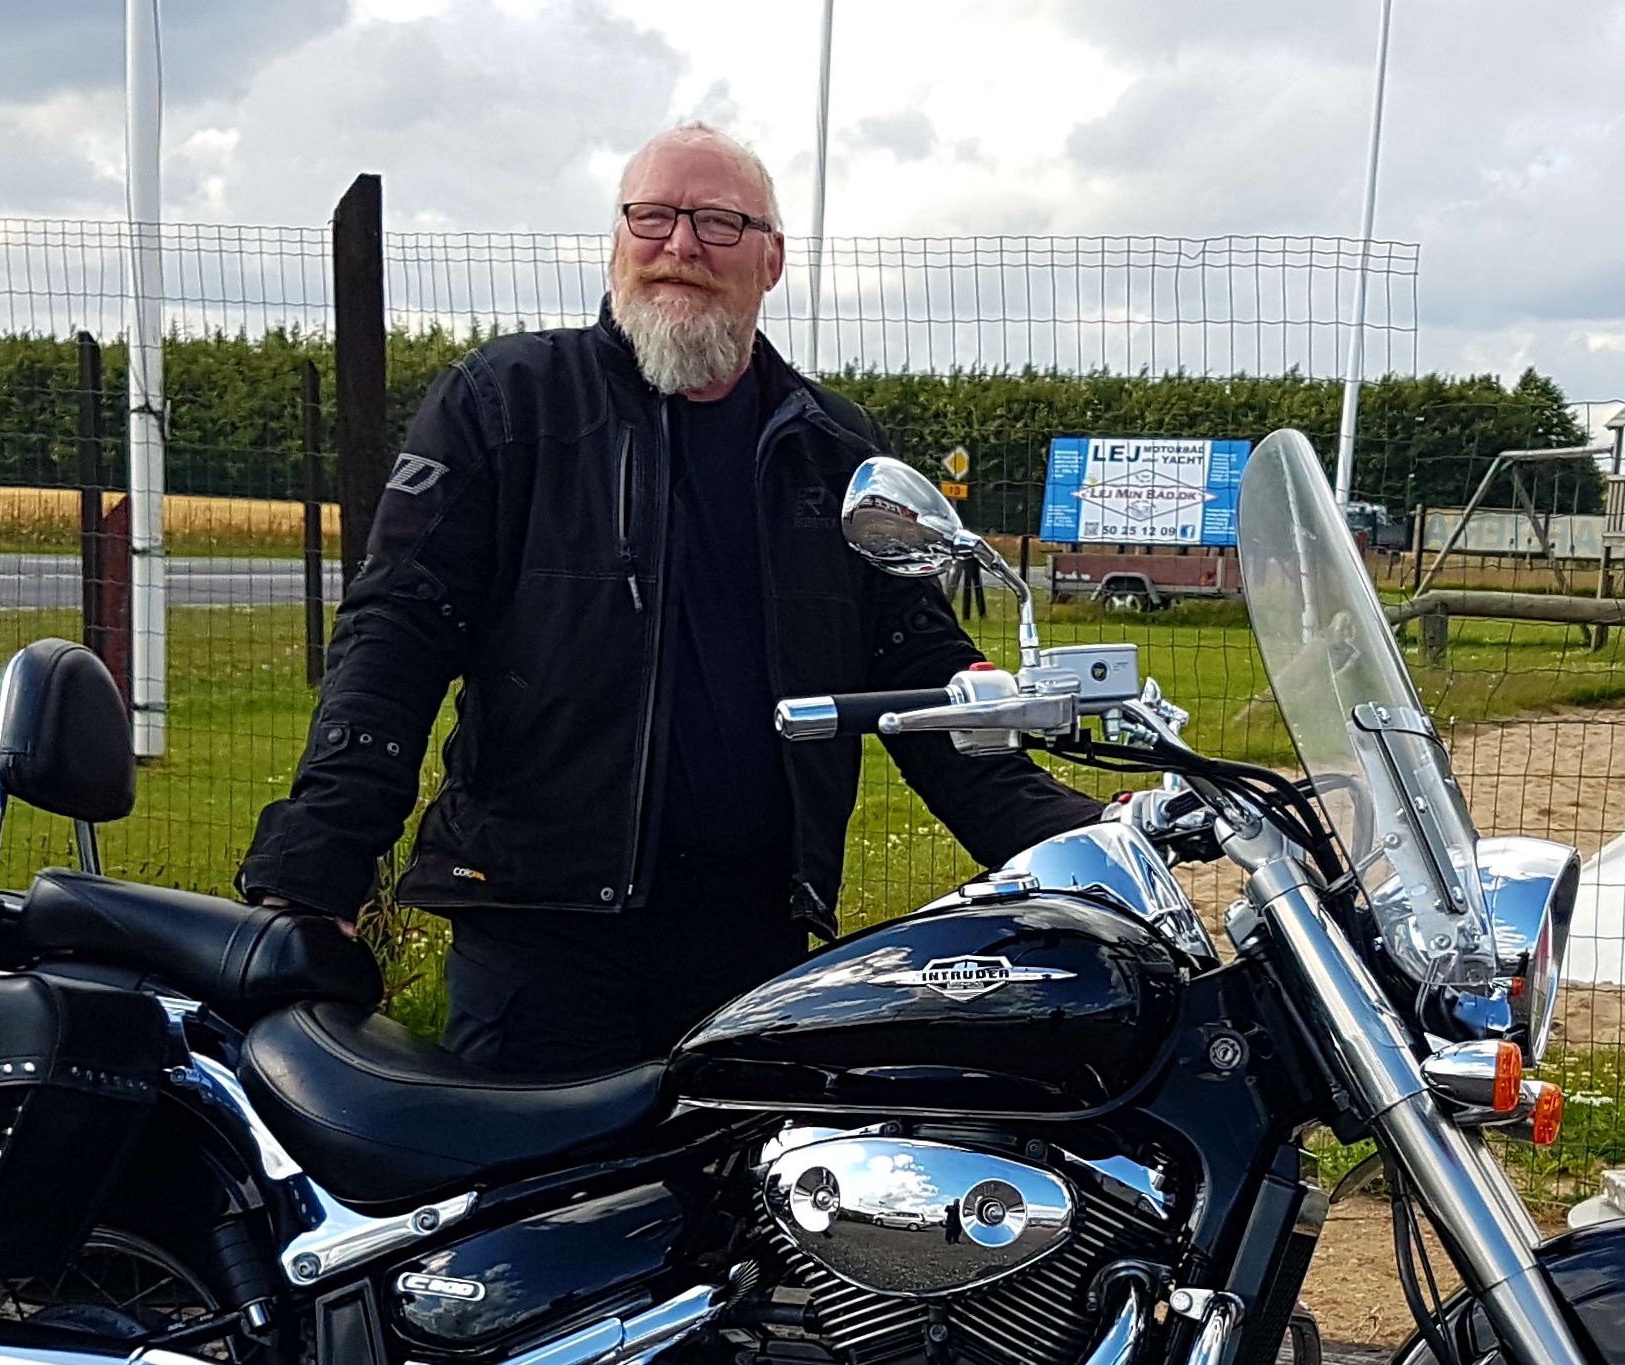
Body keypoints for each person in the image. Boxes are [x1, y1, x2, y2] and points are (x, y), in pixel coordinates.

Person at [239, 123, 1099, 1074]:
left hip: (754, 943)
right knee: (533, 1173)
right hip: (539, 938)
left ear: (772, 260)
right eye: (652, 217)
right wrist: (315, 867)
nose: (680, 245)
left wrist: (1070, 844)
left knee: (759, 1173)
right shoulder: (506, 403)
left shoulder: (830, 445)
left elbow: (917, 670)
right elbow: (399, 629)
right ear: (618, 239)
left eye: (719, 223)